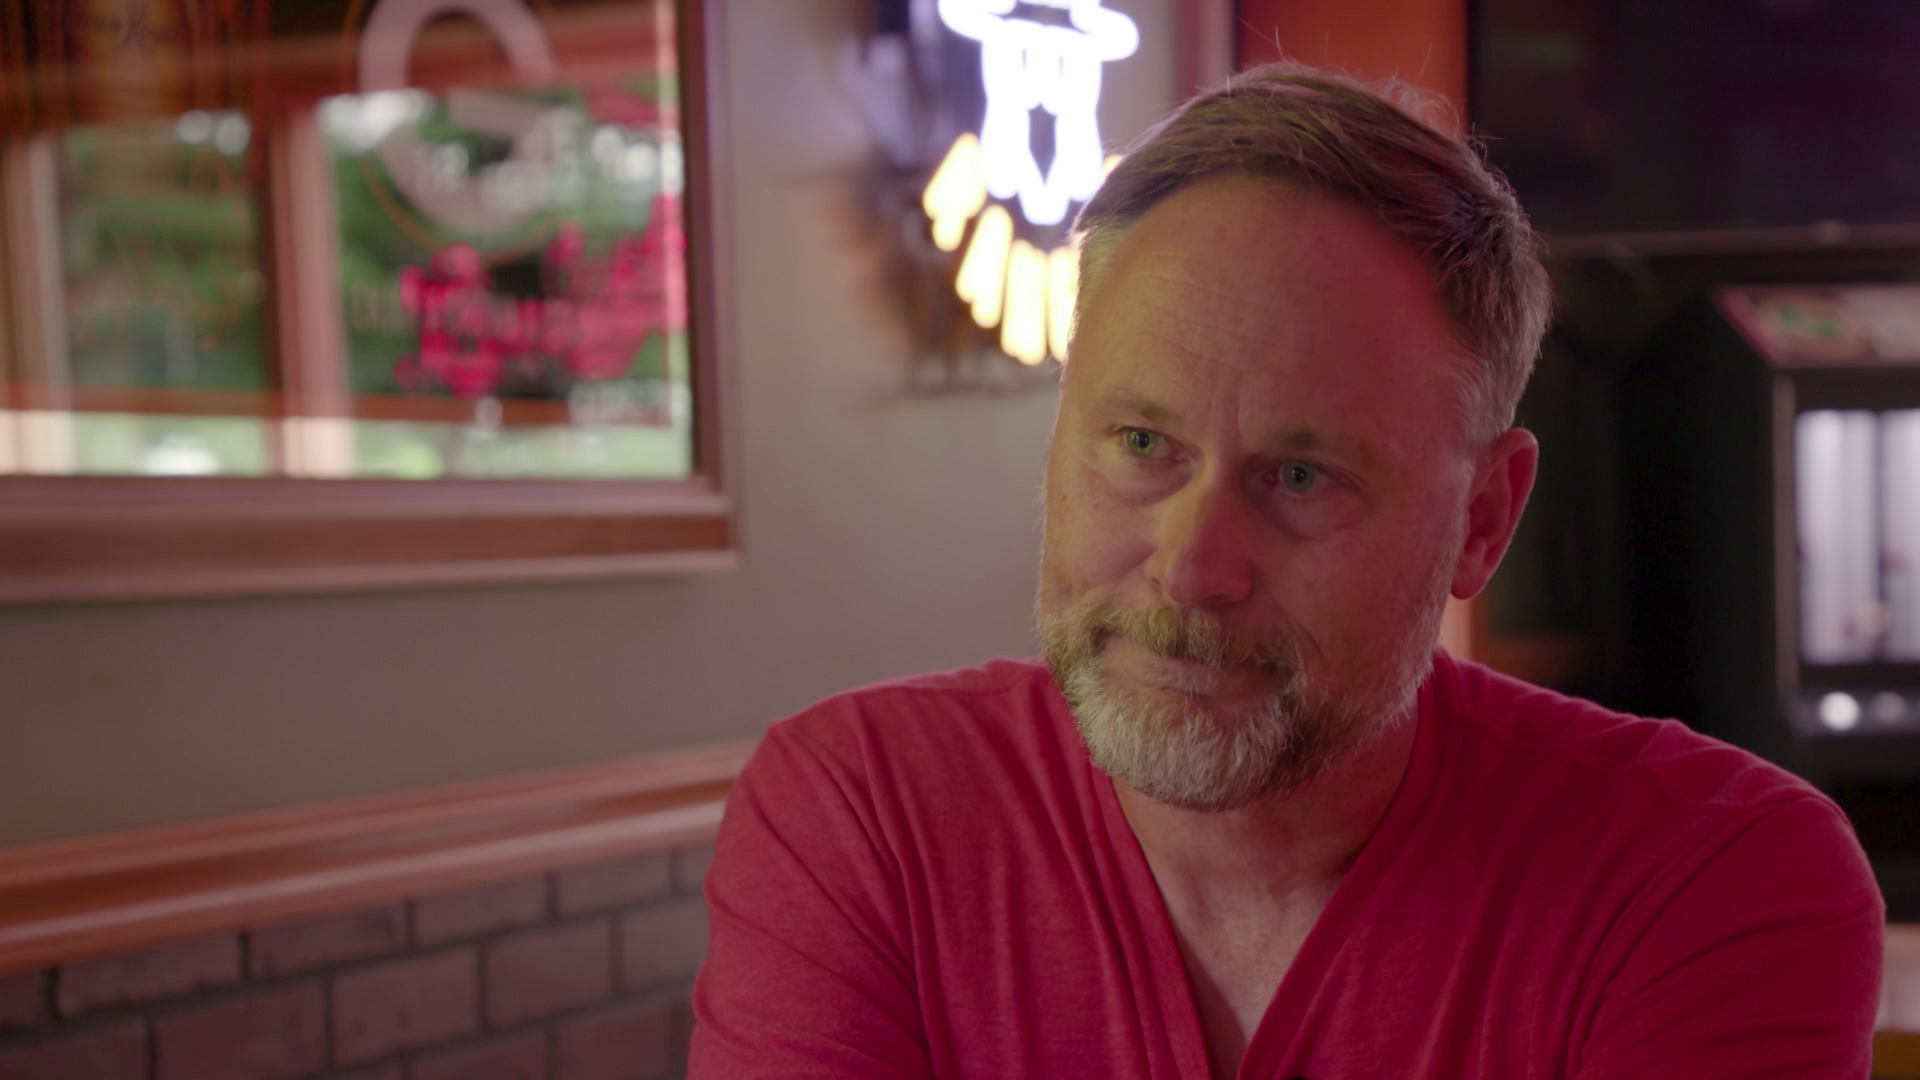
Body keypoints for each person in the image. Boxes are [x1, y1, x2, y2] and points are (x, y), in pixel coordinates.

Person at [689, 62, 1885, 1079]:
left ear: (1481, 521)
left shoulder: (1706, 882)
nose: (1192, 569)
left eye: (1302, 477)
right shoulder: (865, 817)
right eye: (1144, 446)